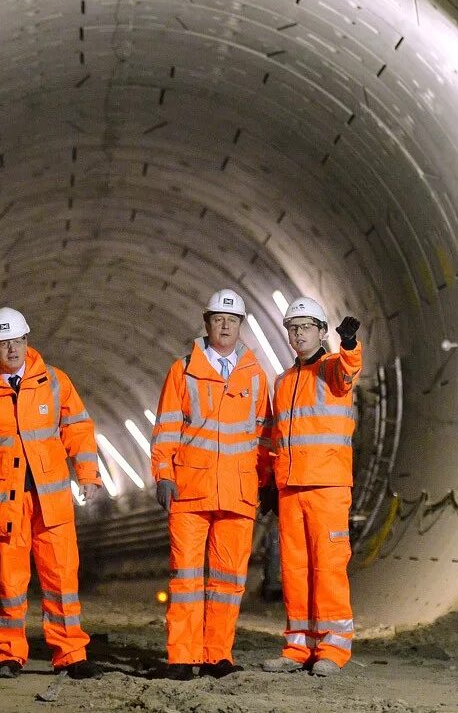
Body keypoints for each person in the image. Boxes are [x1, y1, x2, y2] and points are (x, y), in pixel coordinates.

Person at [0, 306, 103, 680]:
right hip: (2, 504)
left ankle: (70, 653)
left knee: (62, 577)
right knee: (9, 581)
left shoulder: (54, 381)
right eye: (4, 343)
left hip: (50, 501)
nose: (13, 350)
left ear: (27, 340)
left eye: (18, 341)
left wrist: (88, 475)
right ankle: (8, 654)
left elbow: (78, 429)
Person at [150, 289, 274, 680]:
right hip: (191, 490)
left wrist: (266, 482)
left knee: (228, 581)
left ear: (241, 326)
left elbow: (264, 434)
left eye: (232, 320)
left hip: (238, 493)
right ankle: (182, 657)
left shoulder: (254, 375)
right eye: (218, 319)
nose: (225, 326)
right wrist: (163, 474)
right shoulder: (182, 369)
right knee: (185, 579)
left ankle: (217, 654)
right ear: (206, 323)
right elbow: (166, 427)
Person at [260, 297, 362, 677]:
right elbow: (275, 437)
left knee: (329, 567)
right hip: (291, 488)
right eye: (293, 327)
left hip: (328, 486)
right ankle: (298, 645)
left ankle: (333, 648)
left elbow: (351, 366)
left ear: (322, 331)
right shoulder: (283, 383)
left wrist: (349, 344)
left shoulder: (333, 368)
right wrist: (268, 481)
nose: (299, 333)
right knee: (296, 569)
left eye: (306, 327)